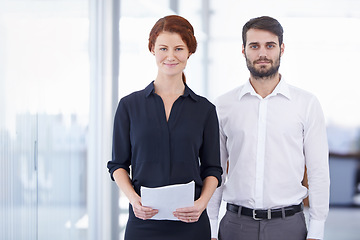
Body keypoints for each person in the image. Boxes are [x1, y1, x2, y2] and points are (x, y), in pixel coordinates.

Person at [207, 16, 330, 240]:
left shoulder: (306, 104)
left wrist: (317, 230)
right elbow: (215, 172)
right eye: (254, 46)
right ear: (243, 50)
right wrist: (211, 227)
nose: (262, 53)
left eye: (270, 45)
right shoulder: (223, 105)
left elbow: (318, 171)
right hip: (235, 226)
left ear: (281, 49)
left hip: (289, 226)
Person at [107, 15, 223, 240]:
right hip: (143, 222)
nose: (171, 56)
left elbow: (213, 169)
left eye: (179, 48)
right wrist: (133, 199)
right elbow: (118, 165)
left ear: (189, 51)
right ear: (152, 49)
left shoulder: (205, 110)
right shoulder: (129, 106)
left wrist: (201, 205)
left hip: (191, 223)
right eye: (163, 48)